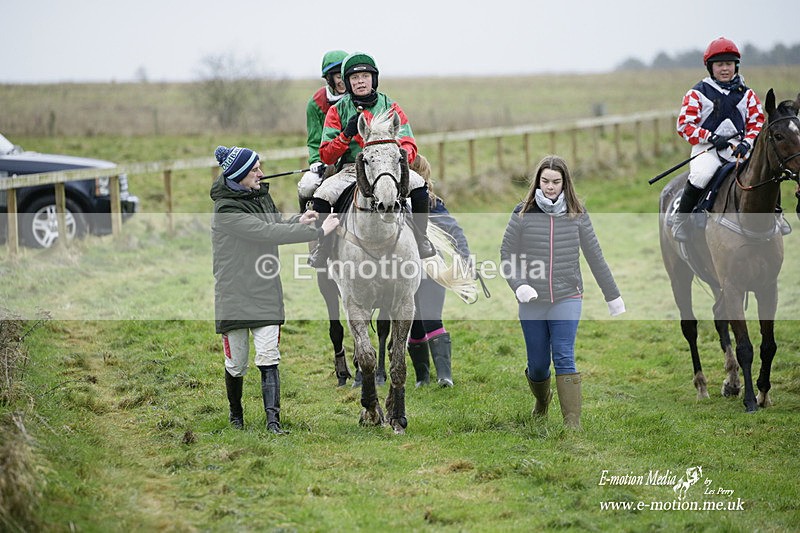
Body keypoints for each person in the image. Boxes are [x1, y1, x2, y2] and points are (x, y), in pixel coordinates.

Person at [211, 144, 339, 434]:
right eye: (255, 169)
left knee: (269, 357)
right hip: (234, 294)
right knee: (236, 364)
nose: (261, 173)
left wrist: (300, 220)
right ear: (240, 175)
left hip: (265, 289)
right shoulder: (226, 209)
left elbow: (274, 224)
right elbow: (266, 233)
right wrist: (317, 231)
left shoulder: (259, 195)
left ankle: (273, 423)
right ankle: (236, 417)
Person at [500, 155, 625, 429]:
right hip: (532, 300)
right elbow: (507, 254)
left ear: (565, 183)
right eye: (545, 181)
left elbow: (595, 256)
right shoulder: (522, 213)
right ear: (538, 182)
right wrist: (519, 284)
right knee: (538, 365)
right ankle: (542, 402)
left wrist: (612, 295)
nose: (550, 187)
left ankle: (572, 424)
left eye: (556, 182)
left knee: (564, 355)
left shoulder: (577, 213)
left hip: (568, 295)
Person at [307, 51, 435, 268]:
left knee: (420, 187)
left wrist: (396, 158)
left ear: (373, 79)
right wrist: (345, 135)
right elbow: (326, 154)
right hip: (350, 170)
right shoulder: (337, 111)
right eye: (354, 78)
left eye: (365, 76)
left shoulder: (390, 106)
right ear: (347, 82)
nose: (360, 82)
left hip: (390, 166)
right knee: (320, 195)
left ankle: (422, 240)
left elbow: (409, 143)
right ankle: (324, 248)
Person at [673, 36, 772, 242]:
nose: (724, 69)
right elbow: (684, 126)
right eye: (719, 64)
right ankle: (681, 221)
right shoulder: (697, 93)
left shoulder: (748, 94)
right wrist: (710, 136)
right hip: (706, 149)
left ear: (736, 66)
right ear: (711, 67)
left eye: (729, 64)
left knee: (763, 174)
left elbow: (757, 122)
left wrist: (747, 143)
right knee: (701, 175)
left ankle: (776, 217)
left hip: (738, 150)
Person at [407, 163, 472, 388]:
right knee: (413, 325)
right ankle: (421, 378)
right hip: (403, 273)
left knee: (431, 318)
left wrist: (465, 258)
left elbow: (455, 230)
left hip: (431, 269)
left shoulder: (433, 204)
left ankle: (445, 377)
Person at [297, 50, 348, 211]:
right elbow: (314, 139)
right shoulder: (315, 103)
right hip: (327, 159)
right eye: (338, 77)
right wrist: (316, 161)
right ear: (328, 78)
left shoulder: (357, 97)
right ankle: (304, 218)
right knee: (307, 185)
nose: (343, 81)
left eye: (344, 75)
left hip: (352, 159)